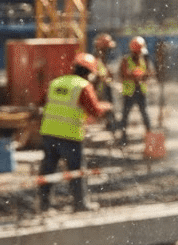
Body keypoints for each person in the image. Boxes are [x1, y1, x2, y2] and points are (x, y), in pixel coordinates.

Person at [39, 52, 111, 212]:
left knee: (47, 171)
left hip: (49, 134)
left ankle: (44, 206)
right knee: (76, 172)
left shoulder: (55, 83)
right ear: (89, 73)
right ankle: (80, 204)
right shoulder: (83, 86)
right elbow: (95, 111)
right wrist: (107, 107)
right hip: (70, 136)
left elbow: (43, 102)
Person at [118, 35, 155, 143]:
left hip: (141, 91)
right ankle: (123, 138)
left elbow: (149, 73)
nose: (139, 53)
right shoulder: (126, 60)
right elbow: (122, 75)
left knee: (145, 114)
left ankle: (149, 136)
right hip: (129, 92)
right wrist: (134, 75)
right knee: (125, 115)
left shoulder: (144, 60)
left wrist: (144, 75)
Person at [92, 33, 118, 132]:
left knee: (108, 102)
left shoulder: (105, 55)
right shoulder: (97, 55)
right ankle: (109, 122)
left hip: (105, 82)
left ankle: (110, 123)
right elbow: (97, 68)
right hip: (101, 83)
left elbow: (106, 68)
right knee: (104, 101)